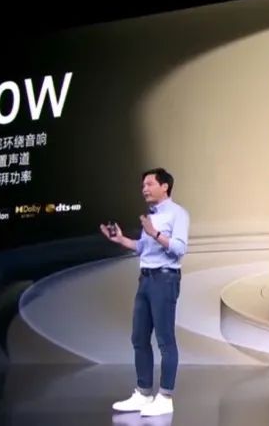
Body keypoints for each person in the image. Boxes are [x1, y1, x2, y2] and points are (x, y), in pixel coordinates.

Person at [101, 168, 189, 416]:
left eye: (149, 184)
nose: (144, 189)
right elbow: (143, 248)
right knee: (139, 337)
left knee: (165, 340)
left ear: (165, 187)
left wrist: (155, 233)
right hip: (146, 279)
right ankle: (143, 393)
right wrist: (120, 239)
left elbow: (179, 249)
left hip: (165, 279)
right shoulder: (152, 215)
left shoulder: (178, 213)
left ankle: (165, 397)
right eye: (143, 185)